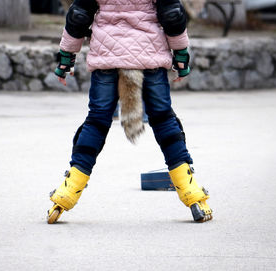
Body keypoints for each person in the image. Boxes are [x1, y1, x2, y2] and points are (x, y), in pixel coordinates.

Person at [47, 0, 213, 224]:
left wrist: (66, 58)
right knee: (164, 120)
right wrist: (181, 55)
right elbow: (172, 14)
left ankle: (67, 192)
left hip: (107, 56)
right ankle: (191, 192)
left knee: (96, 122)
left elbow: (79, 15)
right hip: (149, 57)